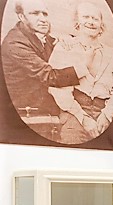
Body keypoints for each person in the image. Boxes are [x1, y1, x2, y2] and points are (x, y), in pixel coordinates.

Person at [1, 0, 89, 139]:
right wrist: (87, 66)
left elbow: (55, 46)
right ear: (21, 17)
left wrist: (68, 41)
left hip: (52, 109)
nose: (43, 19)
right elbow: (51, 77)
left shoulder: (40, 37)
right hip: (31, 118)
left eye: (45, 13)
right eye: (35, 13)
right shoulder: (15, 43)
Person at [47, 1, 113, 144]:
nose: (91, 22)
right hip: (73, 113)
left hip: (104, 113)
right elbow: (57, 88)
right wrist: (83, 118)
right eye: (86, 17)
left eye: (95, 19)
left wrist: (107, 116)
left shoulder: (111, 55)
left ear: (101, 25)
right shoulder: (64, 48)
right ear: (77, 22)